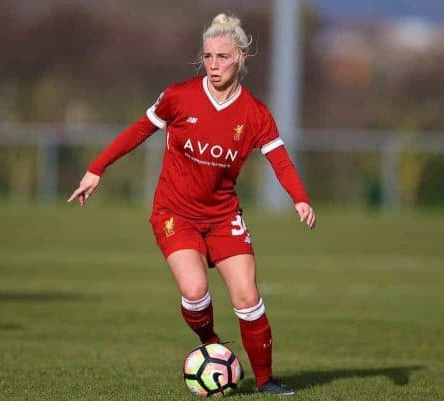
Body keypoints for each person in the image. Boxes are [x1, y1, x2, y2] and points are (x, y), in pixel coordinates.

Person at [68, 13, 316, 396]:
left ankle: (266, 380)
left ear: (242, 58)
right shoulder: (179, 97)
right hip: (175, 212)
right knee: (196, 289)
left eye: (223, 57)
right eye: (208, 56)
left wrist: (299, 198)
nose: (214, 65)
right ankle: (213, 347)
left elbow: (279, 159)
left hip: (222, 216)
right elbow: (139, 130)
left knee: (248, 297)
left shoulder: (254, 114)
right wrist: (97, 168)